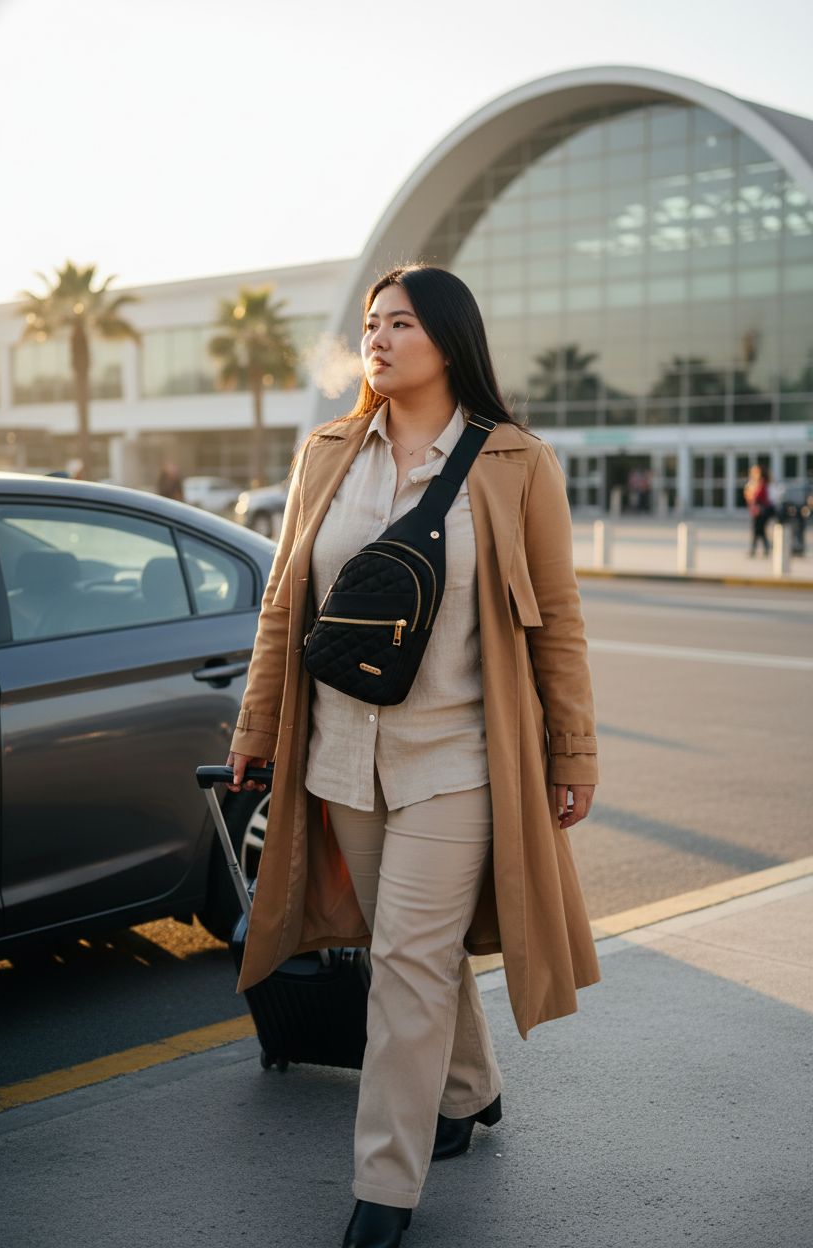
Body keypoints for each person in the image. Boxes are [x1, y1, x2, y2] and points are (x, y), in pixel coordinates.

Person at [226, 264, 600, 1247]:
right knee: (410, 954)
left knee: (402, 961)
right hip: (342, 757)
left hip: (462, 761)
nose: (378, 340)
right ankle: (470, 1089)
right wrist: (256, 734)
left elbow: (557, 622)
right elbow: (282, 609)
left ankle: (382, 1193)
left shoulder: (514, 462)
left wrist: (574, 754)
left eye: (399, 323)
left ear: (448, 339)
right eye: (369, 324)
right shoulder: (325, 456)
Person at [744, 463, 773, 556]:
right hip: (757, 510)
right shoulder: (754, 482)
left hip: (761, 510)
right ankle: (765, 548)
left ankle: (756, 549)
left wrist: (751, 493)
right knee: (759, 530)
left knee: (758, 530)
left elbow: (758, 496)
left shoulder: (762, 482)